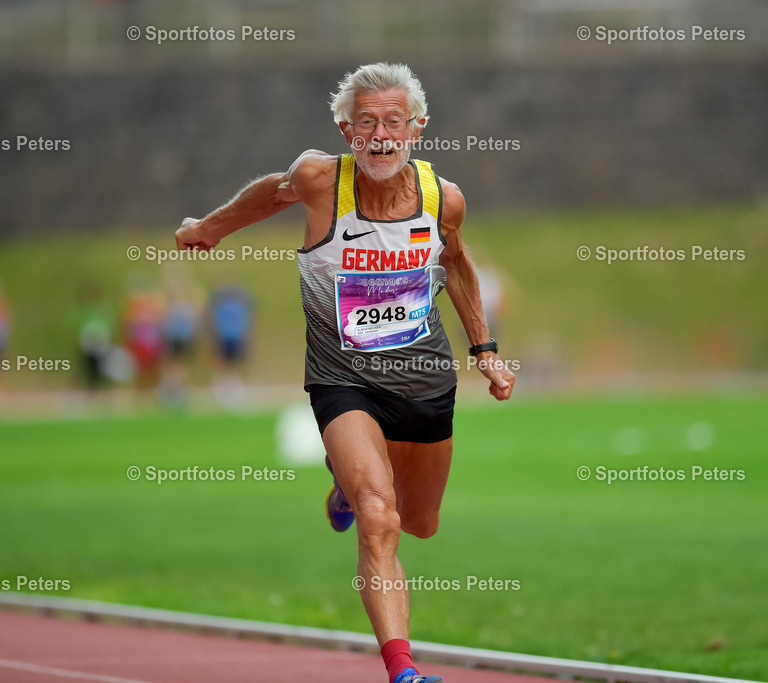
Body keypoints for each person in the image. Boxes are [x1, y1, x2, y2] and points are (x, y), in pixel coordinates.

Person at [175, 63, 516, 683]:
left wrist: (485, 350)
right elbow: (268, 195)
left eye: (393, 122)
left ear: (417, 127)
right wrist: (210, 228)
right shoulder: (319, 180)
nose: (381, 136)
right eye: (366, 123)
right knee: (378, 516)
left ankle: (342, 486)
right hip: (343, 379)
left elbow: (459, 266)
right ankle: (404, 670)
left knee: (419, 523)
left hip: (424, 379)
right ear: (345, 129)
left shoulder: (446, 198)